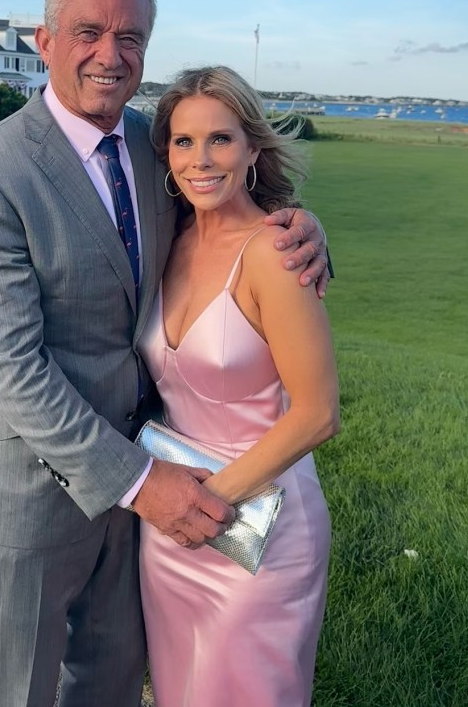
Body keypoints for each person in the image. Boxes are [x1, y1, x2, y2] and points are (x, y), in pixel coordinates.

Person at [0, 0, 331, 707]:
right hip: (40, 494)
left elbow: (236, 224)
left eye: (131, 39)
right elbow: (11, 368)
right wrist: (142, 483)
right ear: (44, 40)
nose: (109, 55)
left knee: (112, 682)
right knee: (15, 690)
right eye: (88, 31)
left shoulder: (159, 146)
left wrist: (306, 232)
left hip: (156, 483)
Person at [139, 65, 340, 707]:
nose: (201, 160)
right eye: (183, 141)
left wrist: (206, 506)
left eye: (220, 140)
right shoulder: (166, 239)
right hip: (172, 524)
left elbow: (317, 415)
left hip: (261, 528)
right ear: (166, 154)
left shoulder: (277, 253)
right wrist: (175, 509)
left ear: (253, 149)